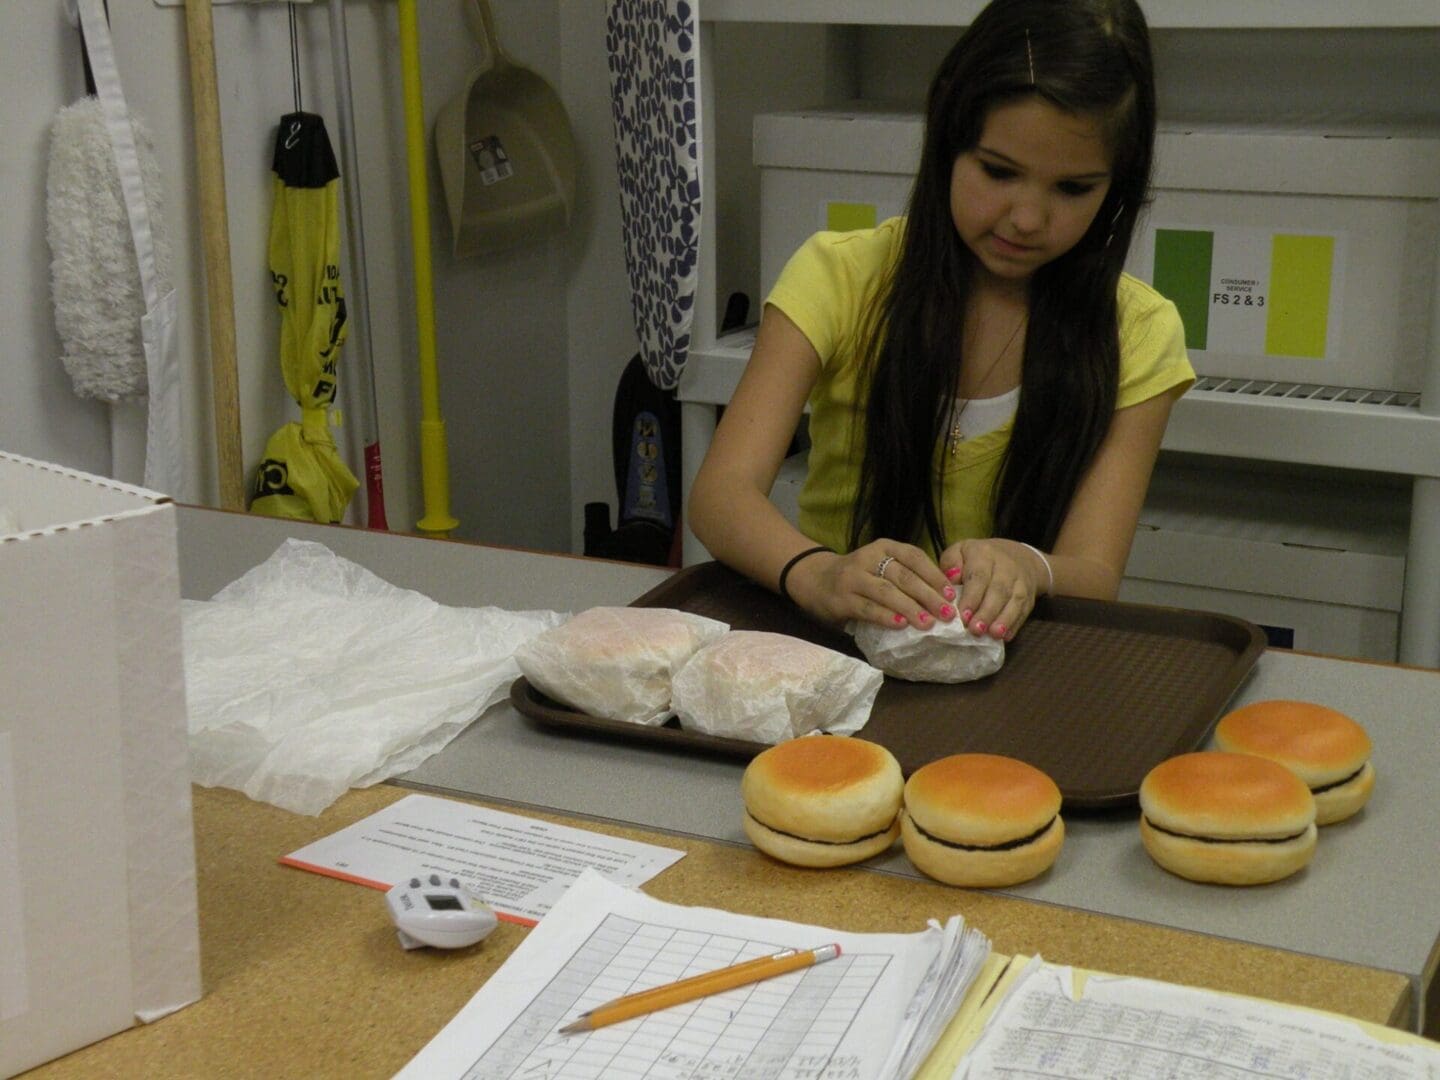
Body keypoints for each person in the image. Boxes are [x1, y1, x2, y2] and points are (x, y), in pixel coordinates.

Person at [688, 0, 1194, 643]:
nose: (1028, 218)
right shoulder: (838, 277)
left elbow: (1094, 571)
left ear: (1116, 186)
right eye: (998, 171)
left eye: (1073, 189)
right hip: (828, 650)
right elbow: (721, 494)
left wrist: (1028, 566)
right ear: (946, 139)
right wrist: (818, 575)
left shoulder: (1140, 332)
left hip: (1012, 671)